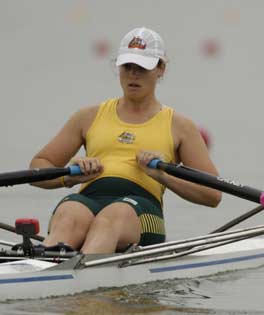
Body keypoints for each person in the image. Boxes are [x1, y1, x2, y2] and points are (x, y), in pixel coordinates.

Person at [30, 27, 222, 254]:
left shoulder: (180, 126)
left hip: (143, 209)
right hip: (89, 199)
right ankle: (43, 267)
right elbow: (38, 167)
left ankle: (82, 277)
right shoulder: (87, 116)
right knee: (69, 214)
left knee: (111, 218)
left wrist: (163, 175)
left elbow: (213, 194)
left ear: (161, 69)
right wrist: (68, 176)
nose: (133, 74)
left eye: (142, 67)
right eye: (127, 66)